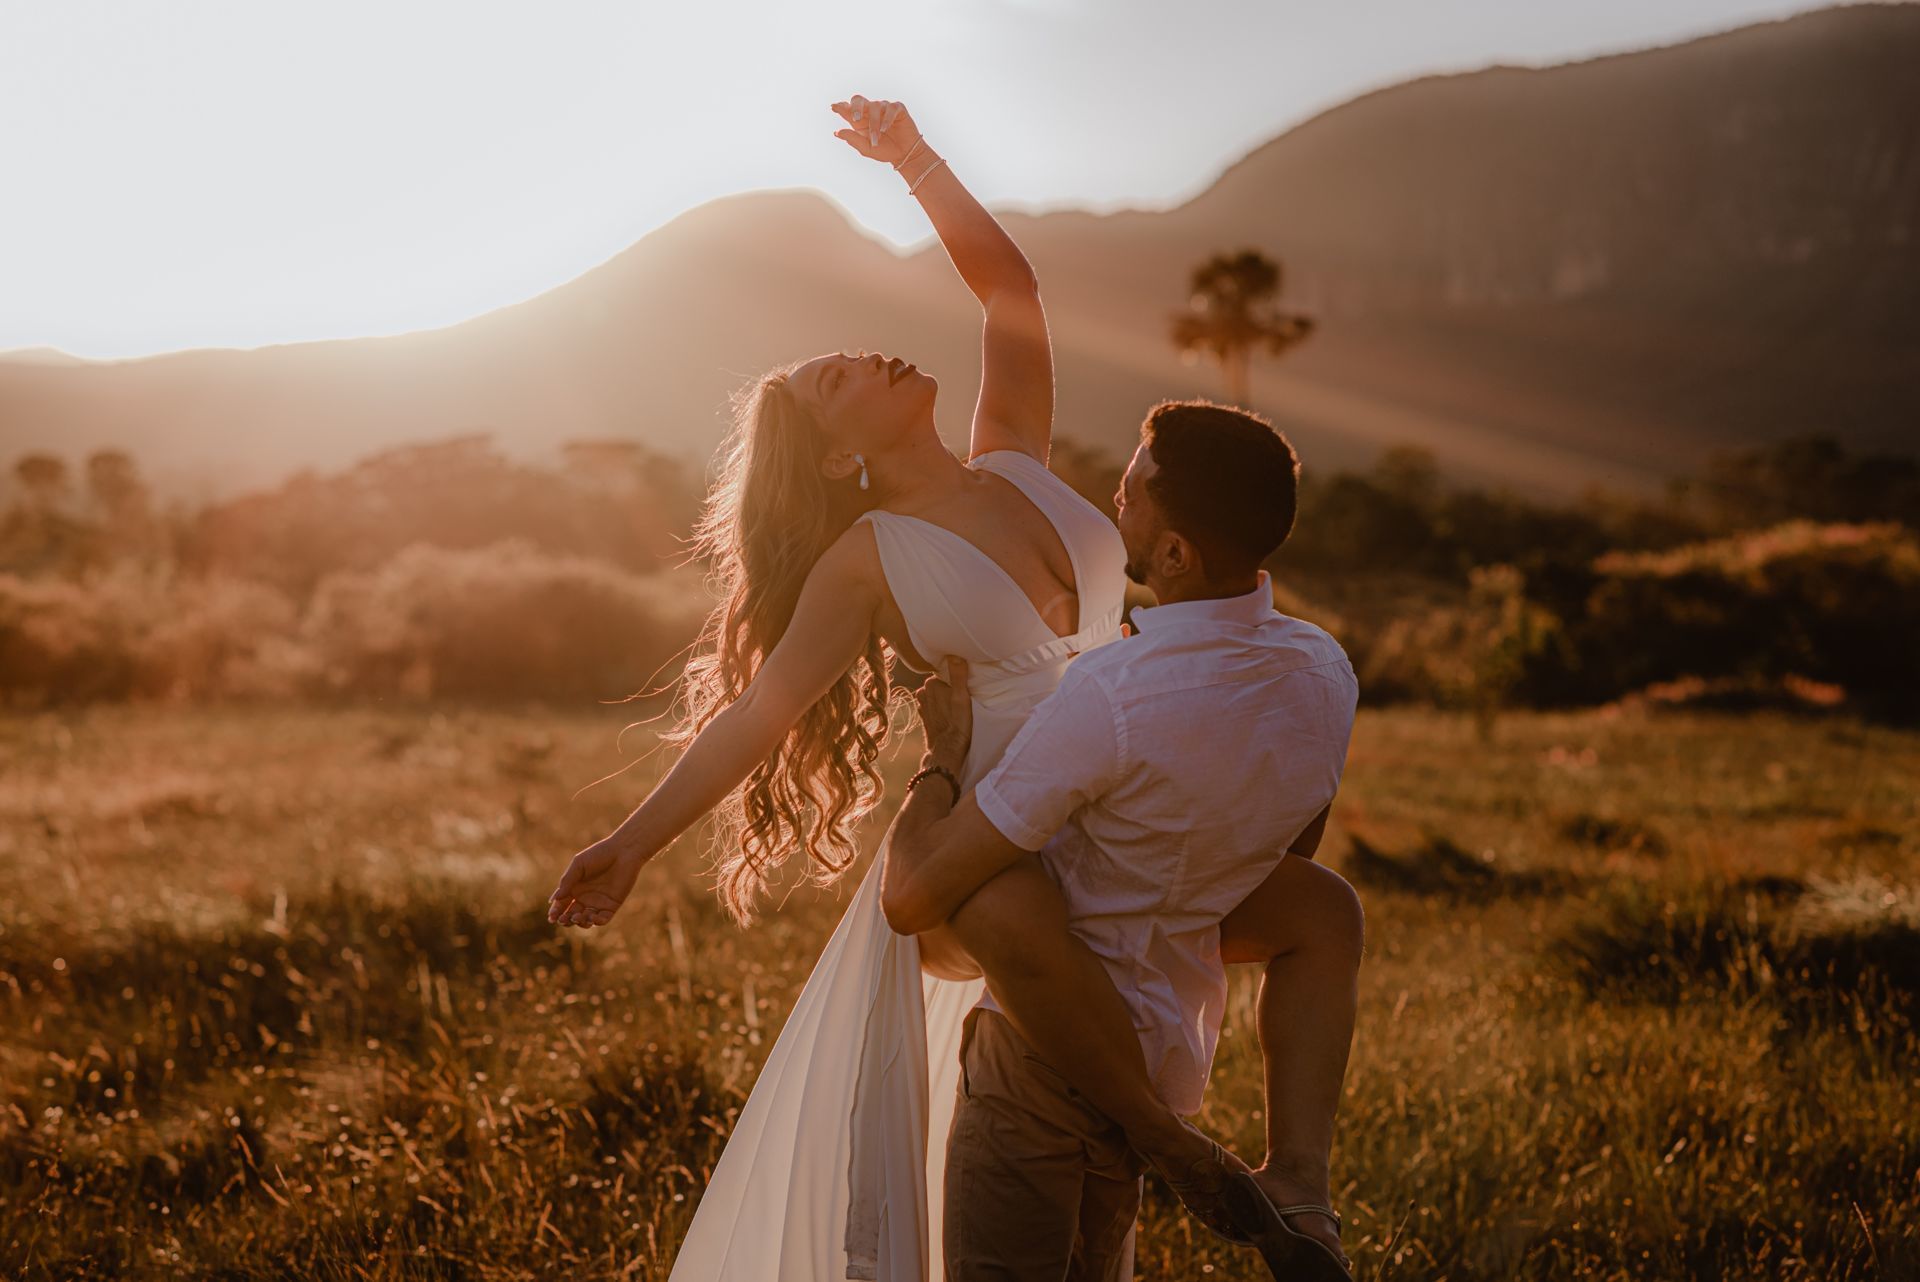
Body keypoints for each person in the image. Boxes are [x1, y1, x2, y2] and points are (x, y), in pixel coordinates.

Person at [545, 96, 1352, 1280]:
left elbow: (1011, 293)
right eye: (837, 381)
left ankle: (1278, 1177)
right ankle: (1170, 1142)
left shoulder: (1013, 456)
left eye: (853, 352)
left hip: (1126, 807)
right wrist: (631, 839)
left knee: (1314, 912)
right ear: (838, 456)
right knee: (1024, 983)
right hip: (1005, 850)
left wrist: (915, 162)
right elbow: (759, 714)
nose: (867, 355)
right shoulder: (864, 560)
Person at [881, 401, 1362, 1281]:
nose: (1116, 503)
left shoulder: (1112, 692)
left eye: (1131, 493)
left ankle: (1166, 1140)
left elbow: (910, 900)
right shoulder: (1323, 670)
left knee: (995, 887)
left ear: (1176, 555)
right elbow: (1282, 862)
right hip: (1166, 1048)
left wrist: (939, 763)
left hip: (1042, 1055)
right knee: (1327, 903)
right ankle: (1299, 1173)